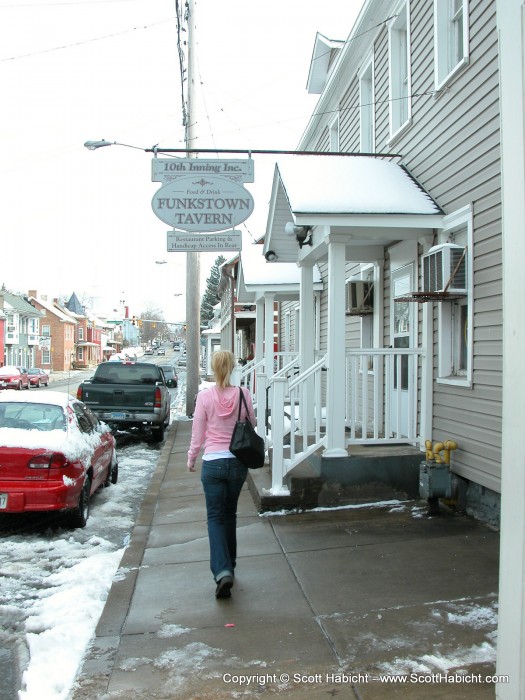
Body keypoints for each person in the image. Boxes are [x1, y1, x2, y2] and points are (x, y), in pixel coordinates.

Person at [187, 350, 256, 599]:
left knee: (215, 517)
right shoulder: (243, 394)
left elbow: (198, 431)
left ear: (215, 368)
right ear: (234, 367)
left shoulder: (204, 397)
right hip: (237, 462)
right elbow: (253, 424)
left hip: (213, 463)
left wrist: (192, 457)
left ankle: (222, 570)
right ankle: (230, 566)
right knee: (229, 514)